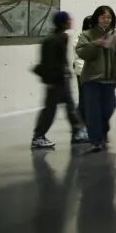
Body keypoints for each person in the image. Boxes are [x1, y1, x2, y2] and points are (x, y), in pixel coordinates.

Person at [75, 6, 116, 152]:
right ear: (97, 18)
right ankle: (96, 141)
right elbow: (82, 53)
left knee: (109, 107)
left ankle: (101, 132)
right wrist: (96, 44)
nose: (106, 20)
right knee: (93, 111)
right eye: (103, 17)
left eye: (109, 17)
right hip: (92, 79)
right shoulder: (87, 34)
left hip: (110, 78)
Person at [31, 11, 90, 149]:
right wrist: (52, 81)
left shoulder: (61, 37)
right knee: (50, 110)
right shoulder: (54, 39)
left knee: (70, 107)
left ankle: (77, 133)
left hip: (61, 79)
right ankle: (38, 137)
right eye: (68, 19)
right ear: (63, 22)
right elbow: (50, 62)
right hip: (56, 81)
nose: (71, 21)